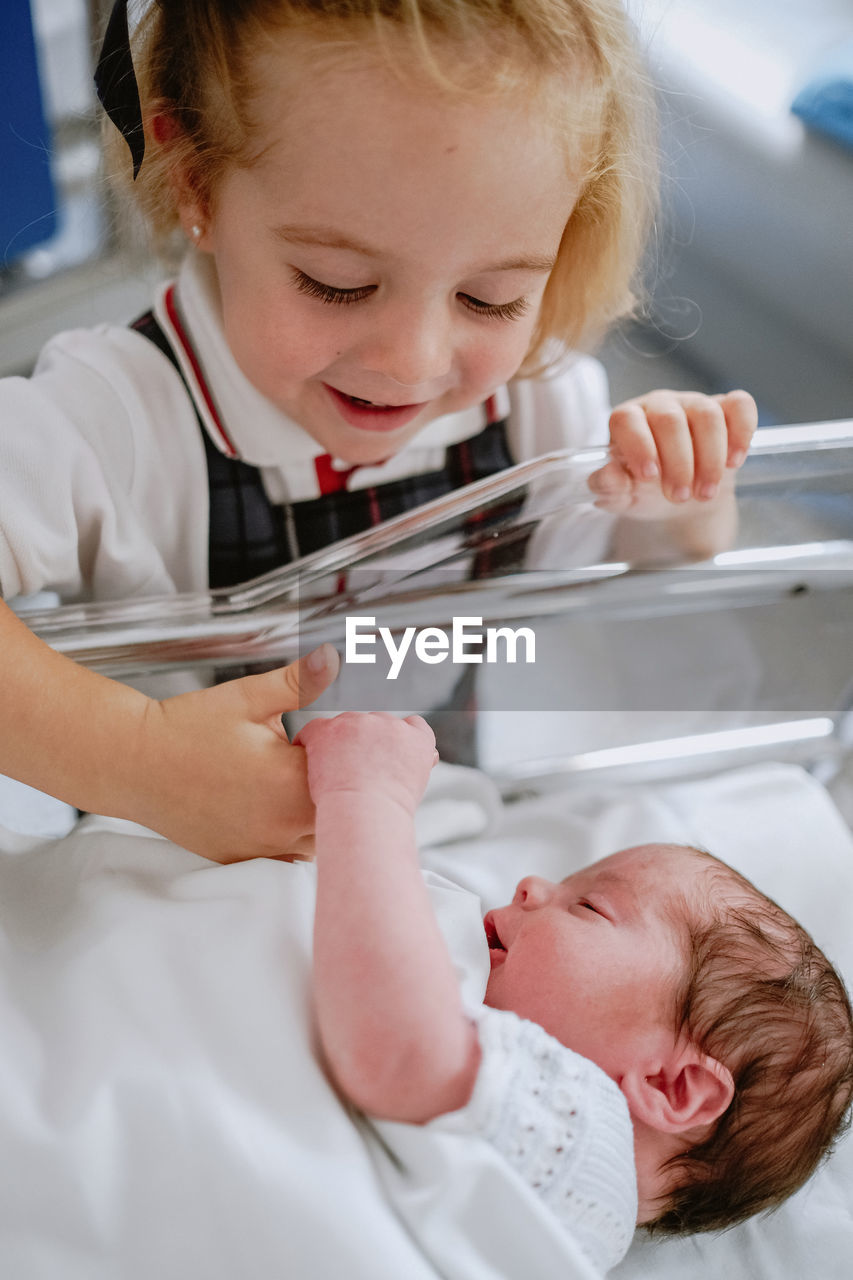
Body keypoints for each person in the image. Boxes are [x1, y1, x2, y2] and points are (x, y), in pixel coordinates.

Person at [0, 0, 758, 862]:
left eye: (490, 298)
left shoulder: (542, 407)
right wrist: (135, 756)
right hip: (176, 882)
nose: (412, 362)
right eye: (337, 283)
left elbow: (649, 580)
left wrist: (682, 504)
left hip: (444, 849)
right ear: (195, 184)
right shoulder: (117, 419)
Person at [297, 710, 853, 1273]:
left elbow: (401, 1053)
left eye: (588, 906)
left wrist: (368, 796)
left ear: (670, 1084)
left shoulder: (584, 1143)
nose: (531, 885)